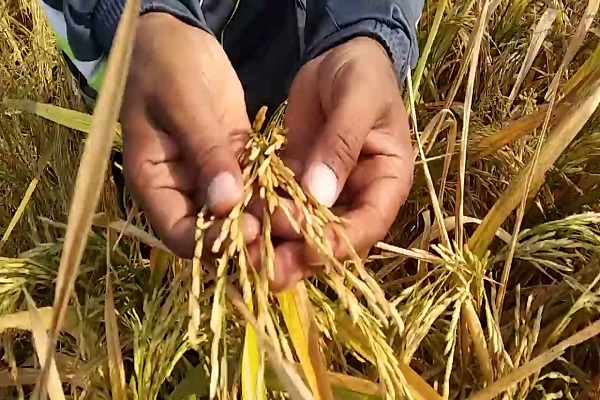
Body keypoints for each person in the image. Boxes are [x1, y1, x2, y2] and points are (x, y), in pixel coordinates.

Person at [40, 0, 421, 291]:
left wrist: (365, 25)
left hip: (289, 50)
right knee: (163, 182)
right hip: (139, 63)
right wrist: (139, 17)